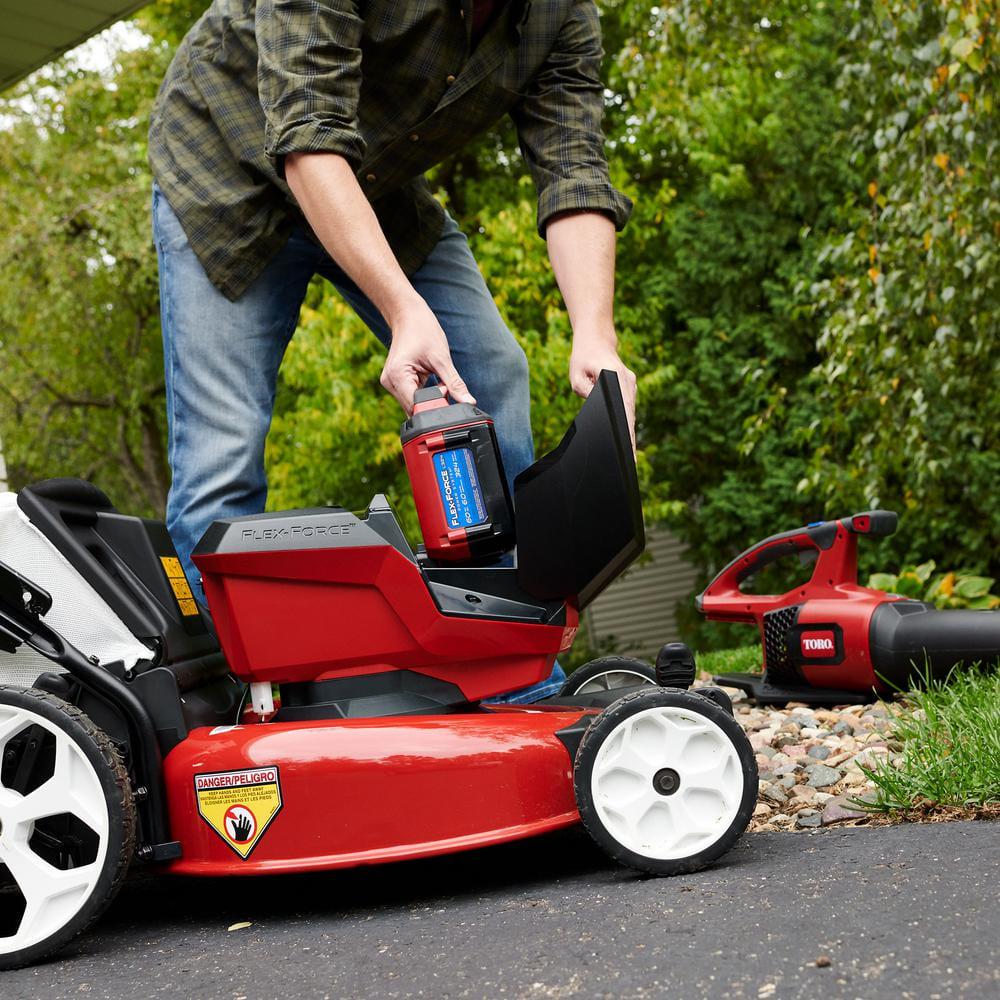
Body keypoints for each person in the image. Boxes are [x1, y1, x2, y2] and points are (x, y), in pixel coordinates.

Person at [148, 0, 636, 702]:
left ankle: (512, 680)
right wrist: (404, 308)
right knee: (220, 456)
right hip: (227, 171)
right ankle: (245, 708)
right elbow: (307, 133)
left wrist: (597, 332)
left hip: (368, 182)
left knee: (493, 372)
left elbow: (574, 170)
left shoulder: (561, 16)